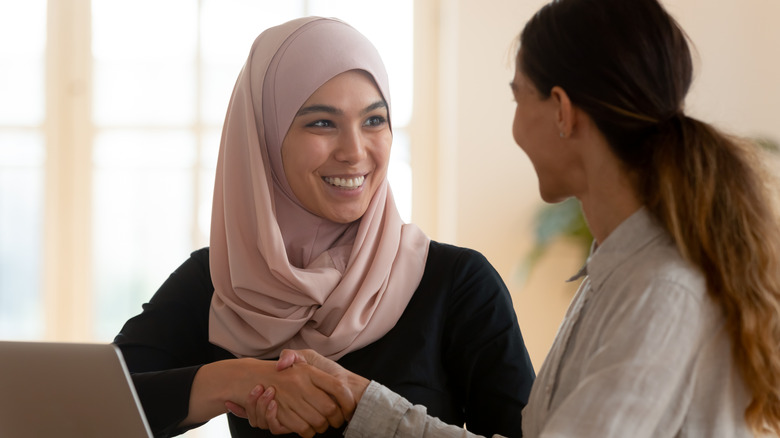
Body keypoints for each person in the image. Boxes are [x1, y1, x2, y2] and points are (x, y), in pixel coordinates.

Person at [243, 0, 780, 436]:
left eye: (518, 97)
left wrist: (367, 408)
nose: (515, 124)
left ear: (563, 112)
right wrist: (364, 403)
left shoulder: (661, 291)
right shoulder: (615, 273)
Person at [113, 16, 535, 438]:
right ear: (264, 140)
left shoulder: (457, 284)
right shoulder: (226, 281)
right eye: (322, 123)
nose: (354, 152)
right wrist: (237, 380)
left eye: (374, 120)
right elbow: (87, 400)